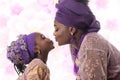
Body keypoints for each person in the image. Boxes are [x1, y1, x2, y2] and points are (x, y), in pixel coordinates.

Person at [53, 0, 120, 80]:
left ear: (72, 30)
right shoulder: (74, 45)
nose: (54, 33)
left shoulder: (92, 44)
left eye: (57, 29)